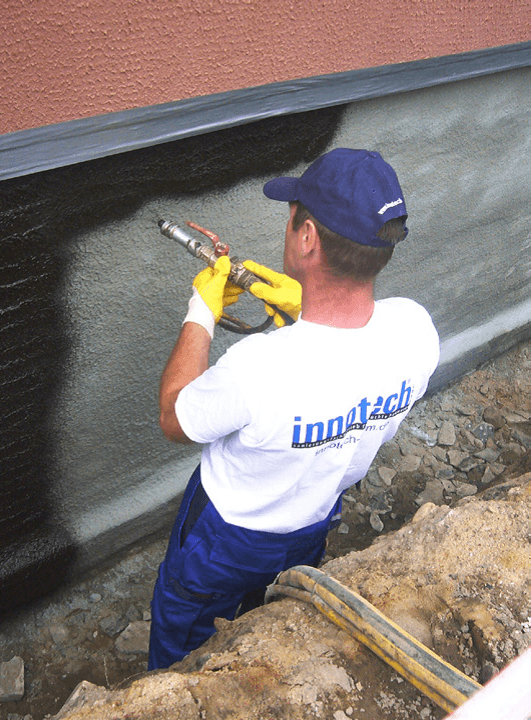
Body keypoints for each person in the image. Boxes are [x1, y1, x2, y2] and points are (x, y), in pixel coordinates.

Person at [148, 148, 440, 670]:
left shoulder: (257, 368)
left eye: (292, 218)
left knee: (185, 631)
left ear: (307, 237)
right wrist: (303, 316)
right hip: (313, 520)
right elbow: (344, 384)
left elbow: (175, 417)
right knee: (273, 614)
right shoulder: (416, 330)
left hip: (226, 534)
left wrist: (202, 311)